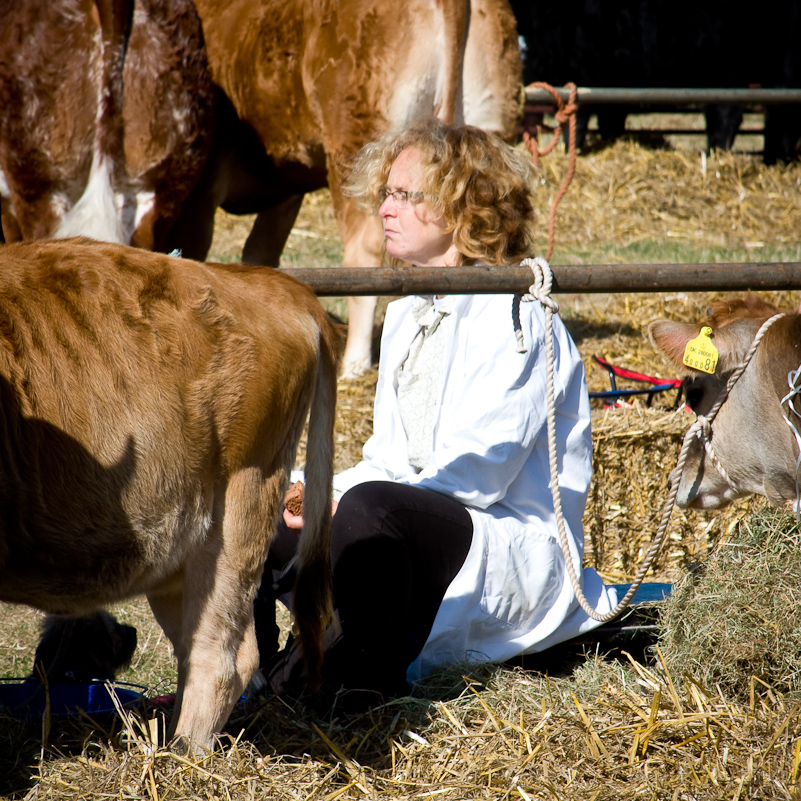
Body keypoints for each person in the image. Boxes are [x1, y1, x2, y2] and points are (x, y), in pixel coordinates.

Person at [254, 117, 616, 704]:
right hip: (410, 523)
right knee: (265, 499)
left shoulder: (518, 317)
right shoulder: (408, 312)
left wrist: (345, 508)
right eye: (385, 195)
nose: (385, 211)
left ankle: (368, 689)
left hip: (505, 545)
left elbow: (479, 475)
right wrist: (309, 490)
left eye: (405, 195)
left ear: (461, 208)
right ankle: (260, 678)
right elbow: (388, 458)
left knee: (365, 512)